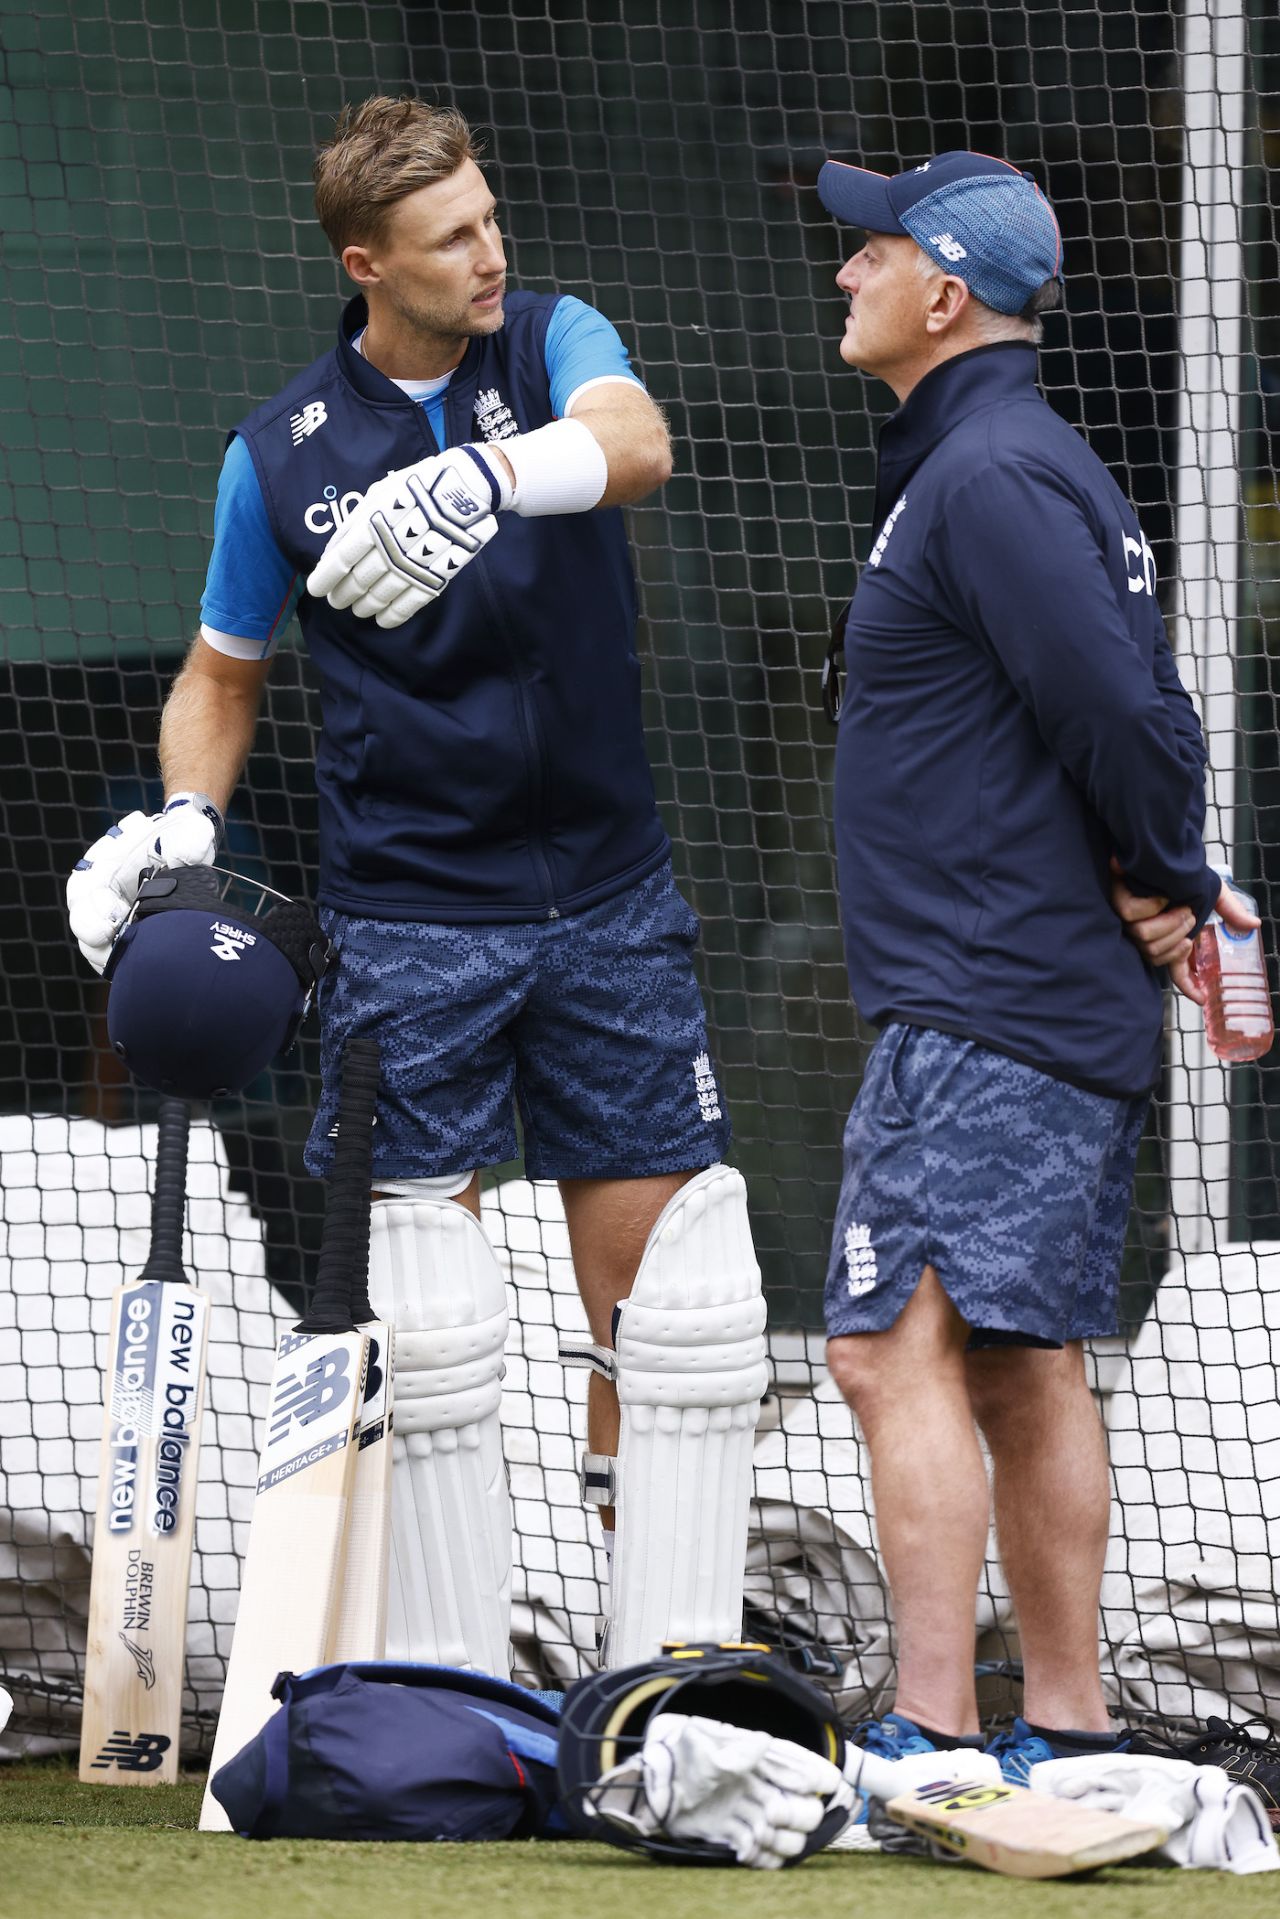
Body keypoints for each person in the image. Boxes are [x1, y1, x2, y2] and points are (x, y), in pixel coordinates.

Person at [66, 95, 767, 1679]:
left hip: (612, 902)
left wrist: (487, 479)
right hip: (407, 923)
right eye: (453, 239)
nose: (490, 254)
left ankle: (654, 1671)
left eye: (492, 218)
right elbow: (222, 673)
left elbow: (640, 444)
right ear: (366, 263)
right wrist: (187, 821)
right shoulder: (277, 456)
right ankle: (448, 1681)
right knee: (429, 1317)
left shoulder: (555, 343)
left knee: (666, 1306)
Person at [810, 149, 1256, 1786]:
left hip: (984, 994)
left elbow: (1129, 715)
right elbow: (1139, 706)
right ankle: (1066, 1729)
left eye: (871, 252)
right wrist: (1160, 873)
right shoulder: (1014, 461)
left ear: (944, 293)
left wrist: (1170, 873)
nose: (845, 271)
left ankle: (933, 1727)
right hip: (1021, 991)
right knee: (1016, 1356)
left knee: (887, 1345)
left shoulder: (990, 473)